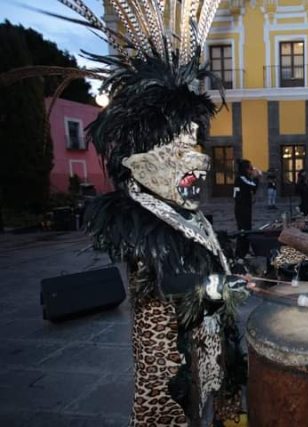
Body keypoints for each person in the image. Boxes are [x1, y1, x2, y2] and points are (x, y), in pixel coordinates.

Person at [61, 1, 255, 421]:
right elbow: (170, 283)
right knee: (170, 412)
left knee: (217, 393)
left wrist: (230, 266)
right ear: (142, 157)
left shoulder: (184, 212)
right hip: (168, 361)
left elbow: (203, 257)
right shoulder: (138, 223)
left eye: (195, 143)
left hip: (205, 342)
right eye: (181, 146)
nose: (199, 160)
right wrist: (220, 284)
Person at [234, 159, 259, 259]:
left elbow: (253, 189)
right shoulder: (241, 178)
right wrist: (256, 178)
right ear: (245, 169)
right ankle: (240, 253)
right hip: (241, 208)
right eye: (250, 168)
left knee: (247, 229)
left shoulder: (244, 178)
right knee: (243, 230)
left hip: (246, 207)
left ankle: (245, 251)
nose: (251, 170)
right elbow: (252, 185)